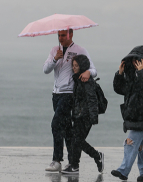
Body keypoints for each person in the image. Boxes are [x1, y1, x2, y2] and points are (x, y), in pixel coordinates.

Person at [43, 29, 97, 172]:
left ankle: (57, 160)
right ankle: (73, 163)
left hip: (69, 94)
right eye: (59, 35)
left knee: (56, 124)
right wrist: (55, 59)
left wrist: (87, 72)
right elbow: (45, 69)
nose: (61, 38)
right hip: (56, 94)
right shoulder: (54, 50)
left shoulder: (80, 50)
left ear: (71, 34)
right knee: (67, 129)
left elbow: (93, 69)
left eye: (63, 35)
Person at [111, 45, 143, 182]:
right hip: (133, 115)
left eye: (138, 60)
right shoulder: (130, 75)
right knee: (142, 146)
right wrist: (119, 74)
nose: (135, 63)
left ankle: (123, 170)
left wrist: (142, 71)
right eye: (132, 60)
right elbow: (120, 89)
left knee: (130, 142)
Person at [61, 55, 104, 174]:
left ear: (82, 66)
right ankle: (75, 166)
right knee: (76, 140)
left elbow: (92, 99)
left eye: (76, 66)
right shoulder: (78, 79)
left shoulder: (86, 81)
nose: (74, 68)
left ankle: (95, 156)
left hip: (85, 117)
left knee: (77, 140)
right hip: (79, 115)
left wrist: (93, 118)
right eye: (73, 66)